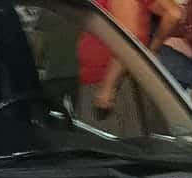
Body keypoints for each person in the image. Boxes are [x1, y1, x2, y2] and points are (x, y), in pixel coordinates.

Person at [77, 0, 182, 134]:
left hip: (111, 82)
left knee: (108, 142)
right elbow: (173, 13)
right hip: (126, 78)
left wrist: (108, 87)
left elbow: (128, 38)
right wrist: (153, 49)